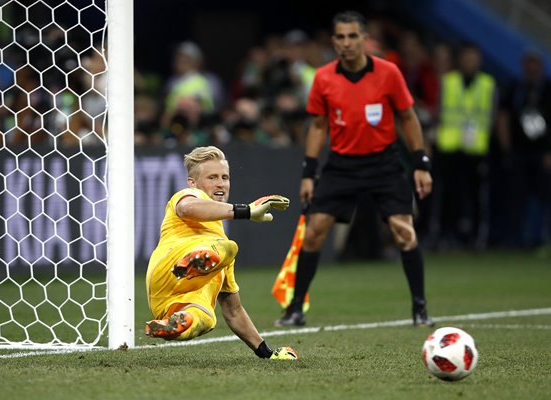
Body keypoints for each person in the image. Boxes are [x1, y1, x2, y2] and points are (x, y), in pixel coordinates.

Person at [274, 11, 434, 327]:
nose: (346, 43)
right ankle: (295, 309)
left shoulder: (388, 73)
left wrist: (420, 163)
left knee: (404, 232)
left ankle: (420, 308)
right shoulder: (324, 77)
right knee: (314, 233)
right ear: (333, 41)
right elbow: (318, 126)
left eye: (352, 36)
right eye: (340, 37)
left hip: (384, 163)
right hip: (341, 165)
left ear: (364, 39)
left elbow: (408, 117)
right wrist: (308, 172)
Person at [145, 146, 298, 360]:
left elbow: (233, 312)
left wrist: (266, 352)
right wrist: (245, 211)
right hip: (170, 265)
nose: (220, 183)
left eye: (225, 177)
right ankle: (193, 261)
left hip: (166, 300)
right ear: (193, 182)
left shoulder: (220, 240)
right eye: (212, 177)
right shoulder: (188, 195)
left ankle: (175, 323)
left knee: (206, 319)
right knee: (229, 248)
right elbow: (187, 208)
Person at [431, 43, 496, 249]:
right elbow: (439, 111)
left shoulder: (488, 84)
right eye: (467, 57)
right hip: (449, 146)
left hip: (476, 149)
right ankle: (444, 234)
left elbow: (492, 117)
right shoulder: (449, 81)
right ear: (460, 60)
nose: (470, 61)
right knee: (447, 194)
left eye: (474, 58)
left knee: (476, 196)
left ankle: (477, 237)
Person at [497, 50, 551, 247]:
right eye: (529, 63)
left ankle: (542, 237)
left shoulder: (547, 89)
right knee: (516, 196)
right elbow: (502, 117)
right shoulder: (515, 88)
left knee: (544, 196)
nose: (532, 67)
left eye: (535, 63)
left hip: (542, 152)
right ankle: (517, 238)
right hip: (519, 152)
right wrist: (507, 148)